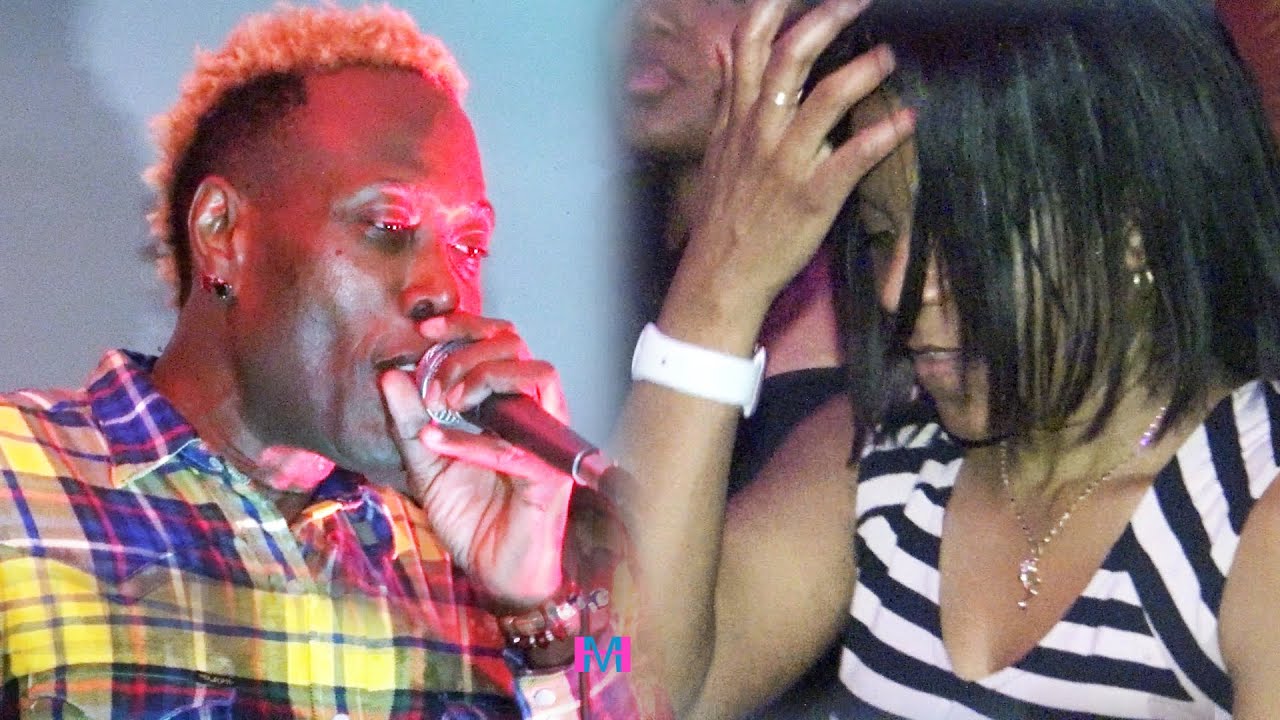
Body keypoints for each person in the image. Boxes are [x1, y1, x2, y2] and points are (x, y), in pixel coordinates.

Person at [611, 0, 1280, 717]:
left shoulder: (1249, 516)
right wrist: (718, 292)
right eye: (880, 235)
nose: (898, 289)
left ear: (1134, 227)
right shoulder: (885, 461)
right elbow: (618, 681)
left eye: (962, 233)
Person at [0, 5, 654, 719]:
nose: (445, 289)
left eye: (469, 246)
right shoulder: (17, 479)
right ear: (222, 233)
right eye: (389, 226)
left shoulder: (471, 544)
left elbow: (628, 690)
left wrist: (535, 607)